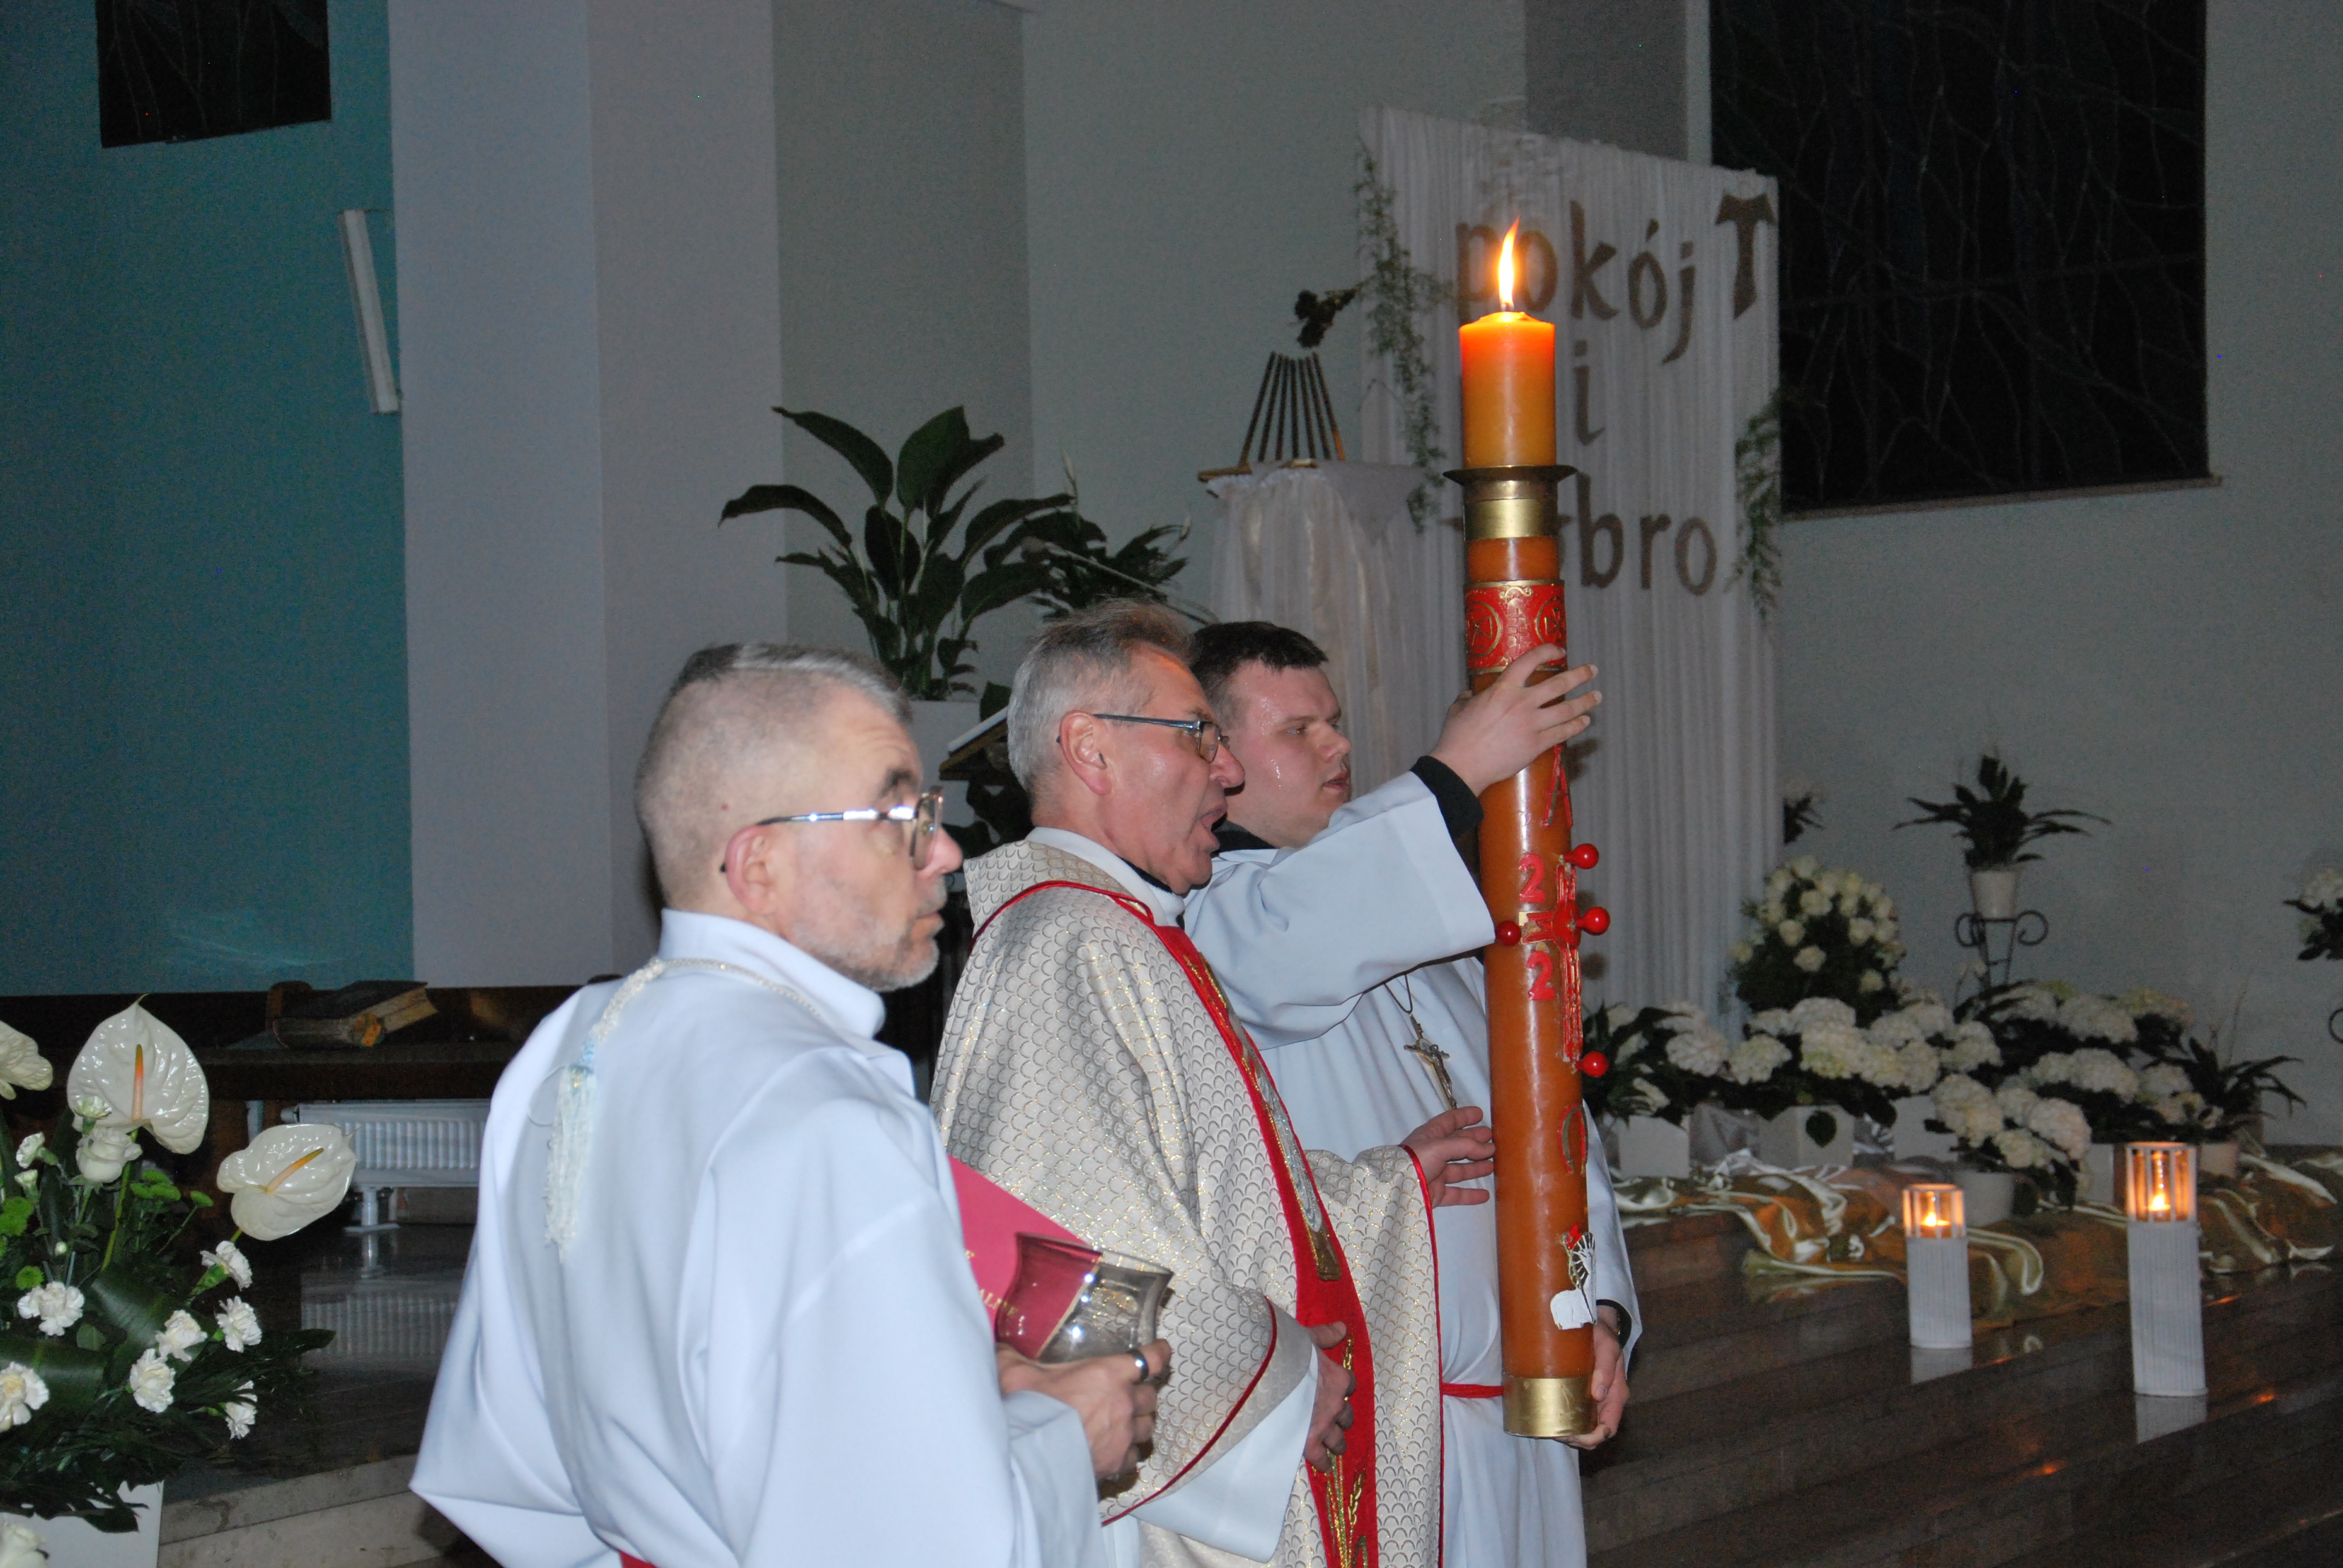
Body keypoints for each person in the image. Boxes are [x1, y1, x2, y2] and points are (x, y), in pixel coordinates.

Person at [414, 644, 1161, 1568]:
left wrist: (962, 1392)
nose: (944, 851)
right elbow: (913, 1548)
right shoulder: (828, 1116)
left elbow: (505, 1456)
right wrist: (1063, 1436)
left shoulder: (574, 1044)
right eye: (900, 816)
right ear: (759, 863)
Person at [931, 603, 1492, 1568]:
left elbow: (1200, 1202)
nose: (1226, 772)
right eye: (1198, 736)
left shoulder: (1120, 933)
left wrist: (1382, 1189)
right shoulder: (1067, 946)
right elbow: (1057, 1262)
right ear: (1090, 749)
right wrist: (1275, 1374)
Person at [1181, 622, 1639, 1568]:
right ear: (1215, 758)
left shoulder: (1441, 954)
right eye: (1298, 729)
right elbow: (1292, 942)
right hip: (1371, 1438)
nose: (1338, 745)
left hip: (1518, 1426)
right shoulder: (1205, 926)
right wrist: (1454, 772)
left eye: (1335, 721)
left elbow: (1555, 1143)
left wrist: (1599, 1315)